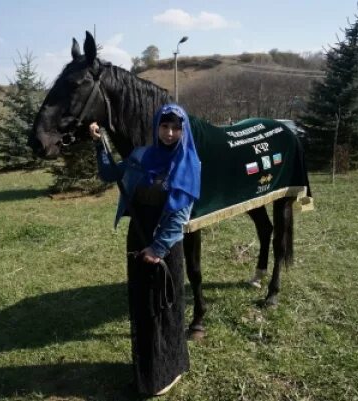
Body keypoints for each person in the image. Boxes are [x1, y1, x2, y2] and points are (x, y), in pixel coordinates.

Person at [89, 103, 201, 396]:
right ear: (156, 127)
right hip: (137, 239)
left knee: (163, 306)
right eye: (164, 126)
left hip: (164, 246)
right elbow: (110, 174)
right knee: (141, 305)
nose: (169, 133)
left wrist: (158, 248)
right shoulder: (141, 155)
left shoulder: (188, 163)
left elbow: (180, 214)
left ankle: (167, 369)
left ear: (183, 130)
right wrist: (100, 143)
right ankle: (147, 369)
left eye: (176, 127)